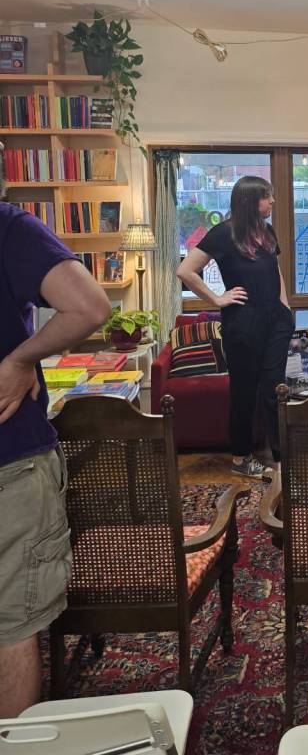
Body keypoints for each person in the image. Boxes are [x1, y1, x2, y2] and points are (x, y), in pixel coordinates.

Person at [0, 142, 113, 717]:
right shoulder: (9, 227)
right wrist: (21, 359)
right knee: (12, 625)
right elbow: (91, 307)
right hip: (9, 458)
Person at [177, 176, 293, 478]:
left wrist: (285, 308)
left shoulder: (267, 231)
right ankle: (241, 459)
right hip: (243, 322)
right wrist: (217, 298)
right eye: (266, 196)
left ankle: (279, 458)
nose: (272, 201)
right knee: (244, 392)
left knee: (275, 390)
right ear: (249, 201)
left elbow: (276, 271)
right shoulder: (223, 233)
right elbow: (185, 271)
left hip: (276, 320)